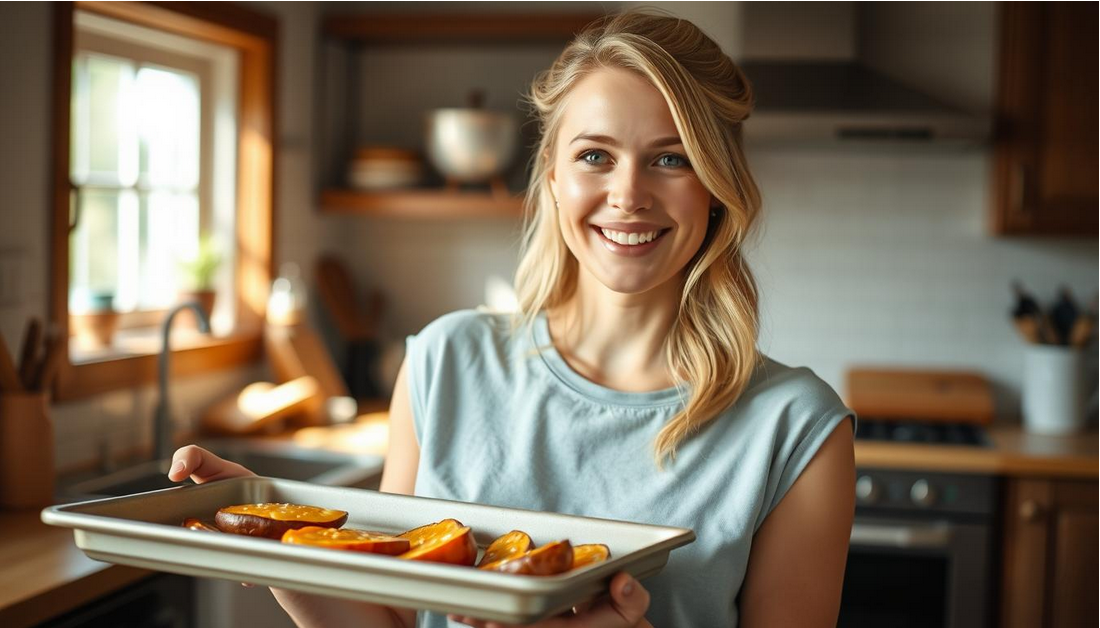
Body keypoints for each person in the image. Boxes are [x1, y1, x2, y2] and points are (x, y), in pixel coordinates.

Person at [169, 10, 855, 628]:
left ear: (716, 184)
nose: (628, 194)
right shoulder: (443, 363)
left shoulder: (797, 431)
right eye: (595, 156)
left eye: (670, 159)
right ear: (553, 176)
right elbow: (392, 622)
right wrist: (277, 545)